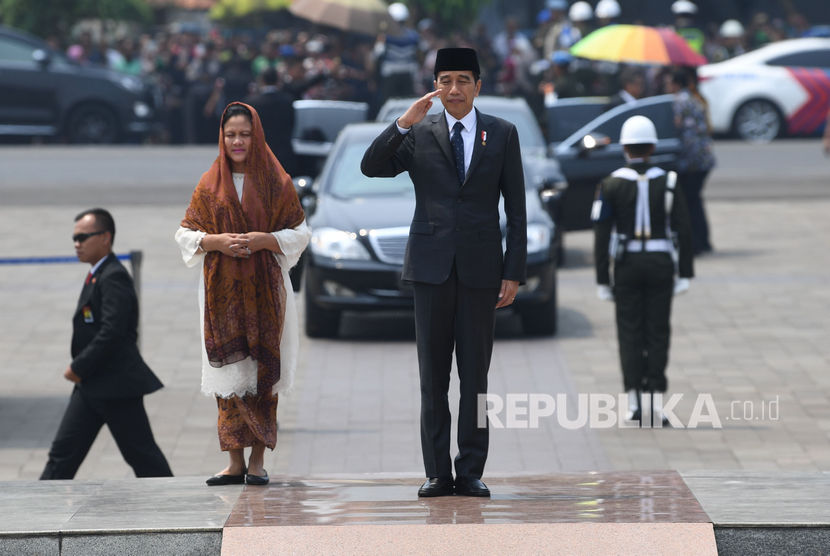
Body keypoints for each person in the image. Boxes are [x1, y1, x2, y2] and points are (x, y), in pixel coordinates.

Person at [361, 47, 527, 498]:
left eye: (462, 81)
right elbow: (372, 167)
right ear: (435, 84)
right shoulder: (420, 132)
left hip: (480, 272)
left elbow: (516, 209)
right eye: (445, 80)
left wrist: (513, 271)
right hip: (431, 270)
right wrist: (403, 123)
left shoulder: (502, 133)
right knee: (432, 378)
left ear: (478, 85)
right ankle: (437, 472)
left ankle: (470, 470)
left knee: (475, 377)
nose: (453, 90)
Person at [175, 102, 310, 486]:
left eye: (245, 135)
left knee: (261, 375)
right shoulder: (208, 183)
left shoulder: (276, 183)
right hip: (222, 296)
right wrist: (214, 241)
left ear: (257, 137)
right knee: (228, 376)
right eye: (231, 134)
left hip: (266, 294)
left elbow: (301, 233)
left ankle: (257, 462)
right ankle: (233, 462)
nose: (237, 142)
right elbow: (184, 234)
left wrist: (266, 239)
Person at [40, 209, 173, 480]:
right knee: (62, 455)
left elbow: (113, 332)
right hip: (93, 385)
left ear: (105, 238)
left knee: (143, 457)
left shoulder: (113, 276)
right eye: (74, 238)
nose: (77, 244)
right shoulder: (97, 274)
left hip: (115, 386)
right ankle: (36, 515)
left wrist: (78, 366)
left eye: (83, 237)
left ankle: (176, 511)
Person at [592, 116, 694, 428]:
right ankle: (657, 404)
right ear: (652, 147)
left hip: (626, 266)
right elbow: (684, 229)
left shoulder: (609, 184)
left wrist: (601, 278)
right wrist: (686, 271)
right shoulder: (670, 181)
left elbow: (601, 234)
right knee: (658, 331)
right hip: (661, 264)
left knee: (630, 332)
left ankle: (634, 403)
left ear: (624, 148)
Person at [666, 69, 715, 255]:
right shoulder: (696, 98)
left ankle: (694, 244)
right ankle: (703, 241)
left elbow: (677, 125)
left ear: (676, 84)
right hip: (704, 159)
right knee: (695, 200)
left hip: (690, 161)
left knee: (687, 202)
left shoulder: (680, 100)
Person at [245, 67, 298, 176]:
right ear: (278, 80)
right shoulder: (288, 101)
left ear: (261, 80)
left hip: (258, 153)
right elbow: (292, 124)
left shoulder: (252, 102)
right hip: (283, 153)